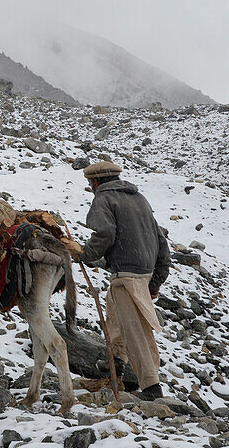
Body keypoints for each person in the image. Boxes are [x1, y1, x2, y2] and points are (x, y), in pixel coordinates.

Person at [79, 160, 170, 401]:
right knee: (115, 314)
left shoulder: (103, 198)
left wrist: (84, 254)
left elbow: (105, 233)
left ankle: (151, 387)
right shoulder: (139, 199)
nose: (91, 187)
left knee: (134, 330)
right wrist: (156, 280)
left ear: (96, 181)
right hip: (144, 271)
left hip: (125, 273)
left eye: (91, 183)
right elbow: (161, 239)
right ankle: (116, 362)